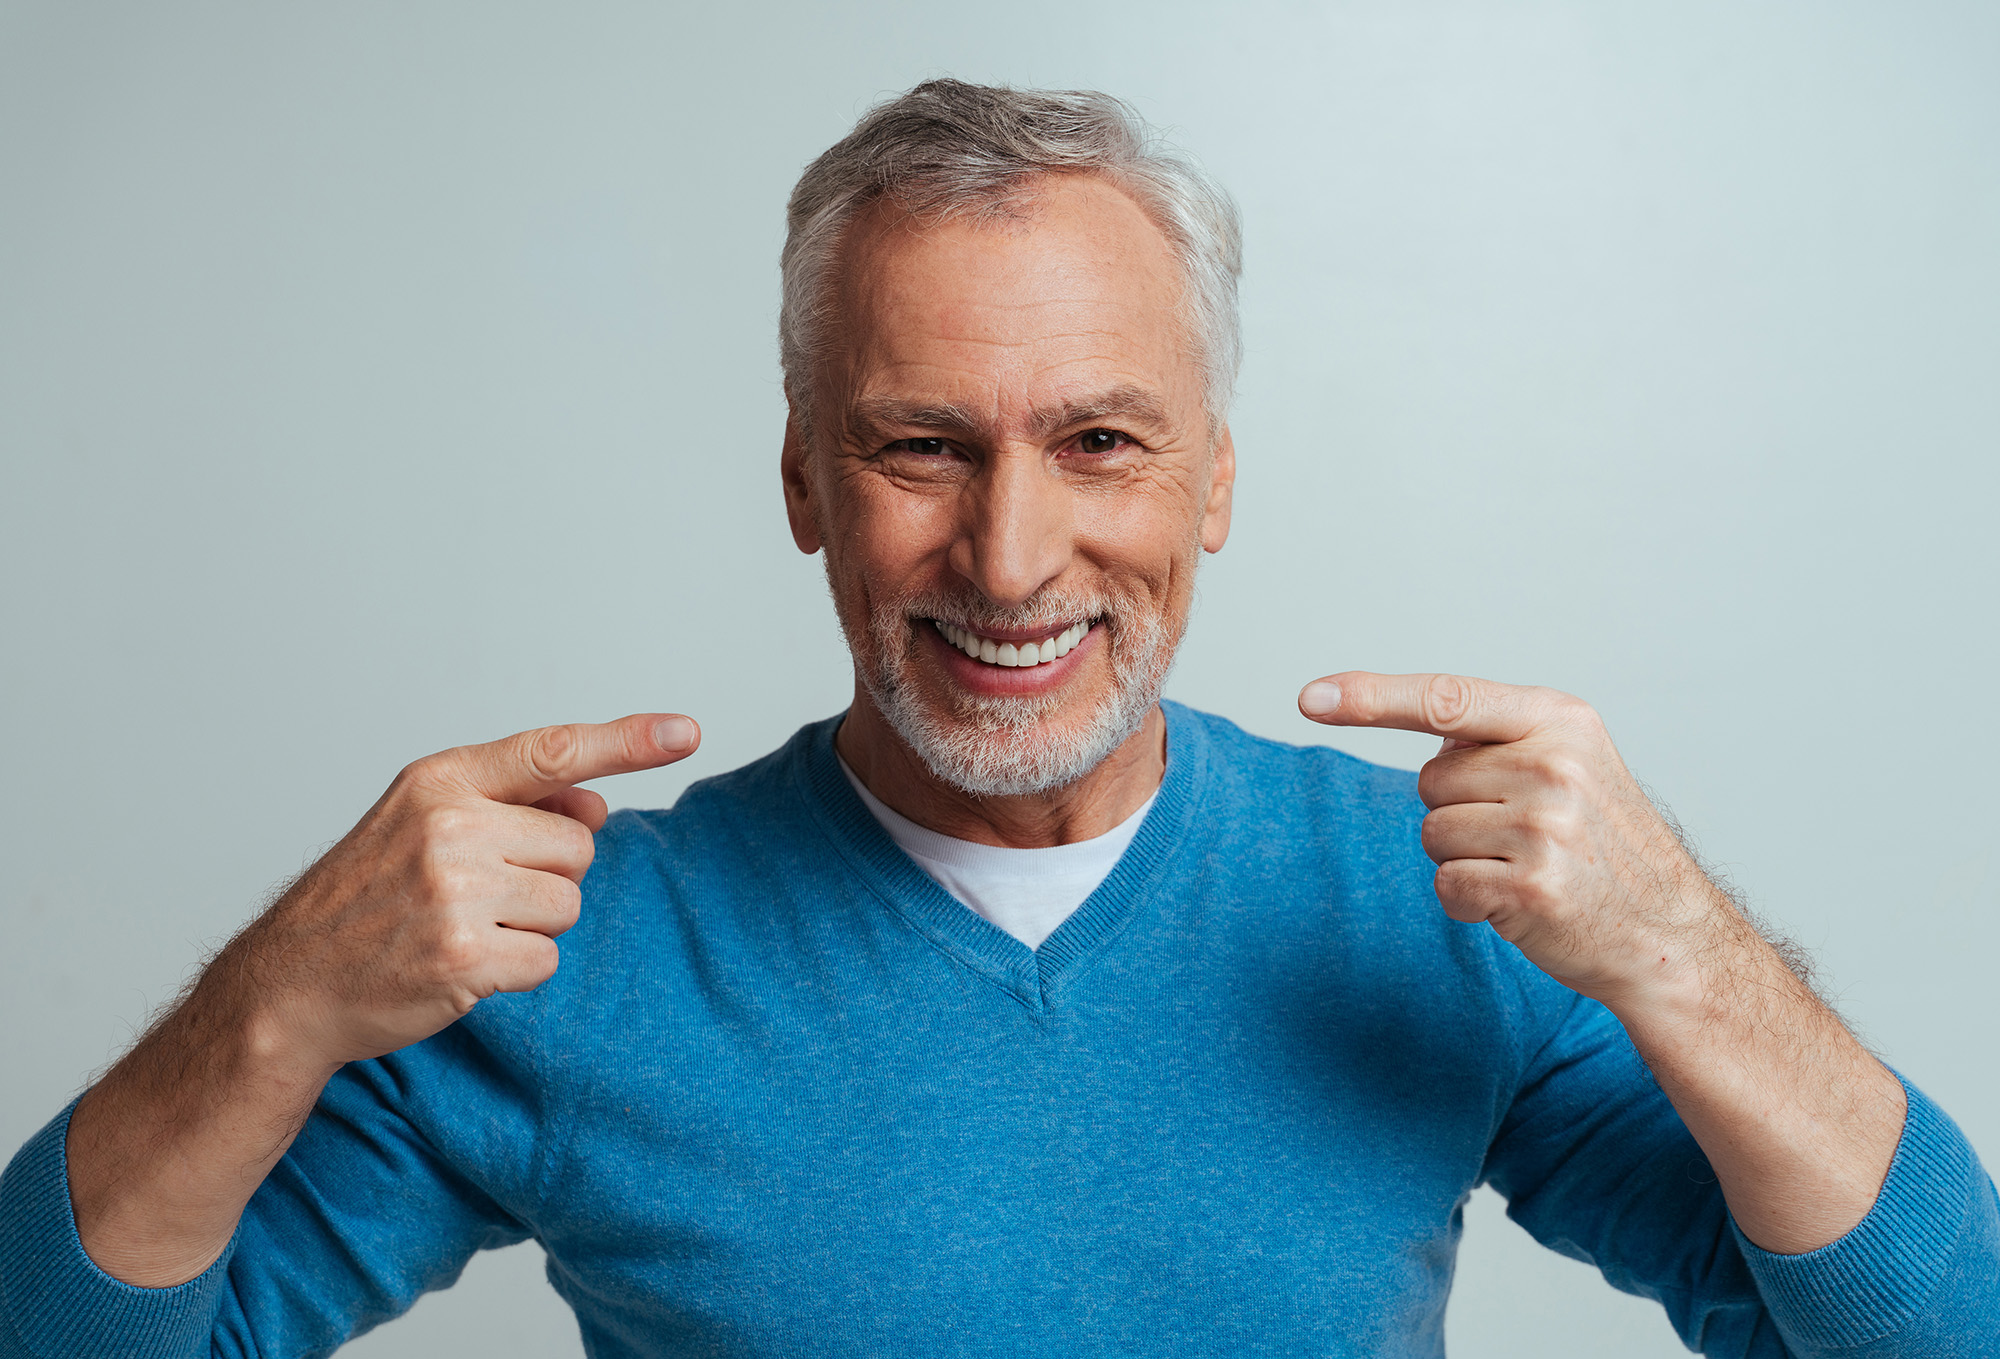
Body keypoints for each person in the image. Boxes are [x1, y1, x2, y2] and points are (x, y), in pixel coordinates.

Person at [2, 79, 1994, 1359]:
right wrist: (272, 998)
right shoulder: (563, 949)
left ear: (1212, 477)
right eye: (919, 447)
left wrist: (1682, 957)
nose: (1012, 551)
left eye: (1099, 441)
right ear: (803, 480)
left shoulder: (1420, 899)